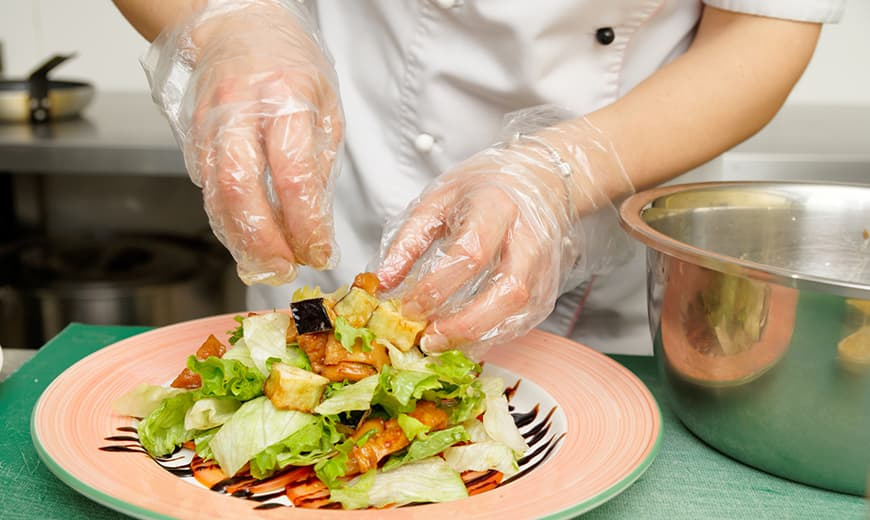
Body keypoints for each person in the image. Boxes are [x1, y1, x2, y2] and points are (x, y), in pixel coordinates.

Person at [113, 0, 843, 358]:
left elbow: (764, 26)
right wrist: (229, 22)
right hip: (345, 184)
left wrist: (562, 172)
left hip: (612, 239)